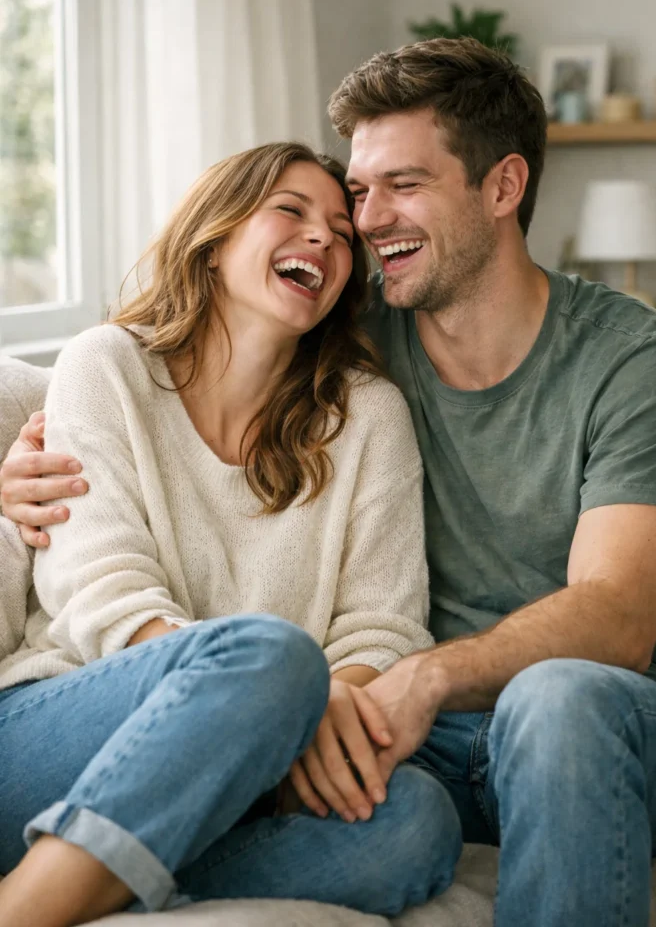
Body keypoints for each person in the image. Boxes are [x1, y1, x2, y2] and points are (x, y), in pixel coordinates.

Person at [6, 39, 656, 926]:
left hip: (551, 715)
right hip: (332, 725)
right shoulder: (347, 328)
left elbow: (614, 617)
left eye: (401, 185)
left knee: (494, 753)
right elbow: (110, 529)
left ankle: (105, 853)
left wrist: (410, 683)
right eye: (357, 192)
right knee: (340, 743)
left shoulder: (623, 362)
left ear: (502, 187)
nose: (356, 226)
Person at [0, 141, 460, 927]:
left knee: (417, 819)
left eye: (342, 234)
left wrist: (283, 720)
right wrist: (259, 691)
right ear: (213, 243)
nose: (323, 237)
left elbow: (381, 627)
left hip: (250, 760)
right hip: (56, 727)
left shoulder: (368, 417)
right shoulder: (104, 365)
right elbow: (95, 586)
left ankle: (103, 866)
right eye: (290, 211)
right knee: (267, 652)